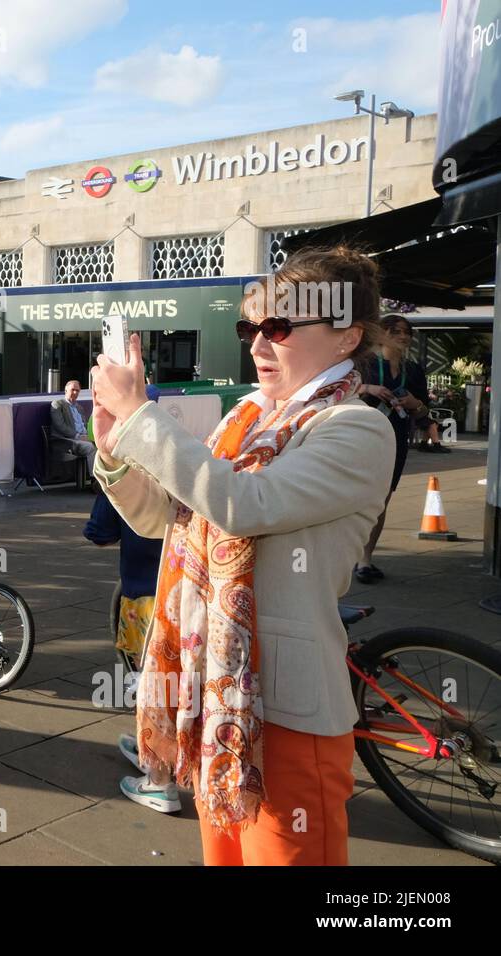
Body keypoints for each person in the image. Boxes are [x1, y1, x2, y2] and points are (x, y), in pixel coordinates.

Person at [89, 245, 392, 866]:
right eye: (249, 327)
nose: (258, 344)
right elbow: (164, 520)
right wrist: (117, 450)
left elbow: (242, 504)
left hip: (284, 708)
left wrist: (142, 414)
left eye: (279, 327)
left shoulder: (355, 427)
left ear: (345, 338)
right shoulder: (246, 418)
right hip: (217, 695)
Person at [83, 491, 172, 812]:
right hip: (192, 590)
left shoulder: (126, 470)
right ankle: (152, 747)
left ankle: (160, 782)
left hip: (145, 594)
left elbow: (100, 533)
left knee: (154, 685)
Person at [354, 315, 433, 584]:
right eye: (396, 331)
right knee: (355, 497)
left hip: (396, 438)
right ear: (382, 334)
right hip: (361, 436)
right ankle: (343, 555)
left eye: (407, 332)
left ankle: (365, 561)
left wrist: (414, 403)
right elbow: (340, 391)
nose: (403, 336)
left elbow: (424, 410)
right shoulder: (364, 363)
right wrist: (368, 387)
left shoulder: (413, 370)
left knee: (381, 500)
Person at [49, 379, 96, 474]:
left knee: (103, 446)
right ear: (66, 390)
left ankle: (104, 478)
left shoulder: (79, 407)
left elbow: (85, 425)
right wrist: (78, 436)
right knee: (90, 447)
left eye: (77, 390)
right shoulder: (57, 404)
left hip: (83, 437)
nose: (75, 392)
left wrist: (89, 435)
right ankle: (94, 479)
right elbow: (60, 426)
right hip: (66, 440)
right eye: (73, 389)